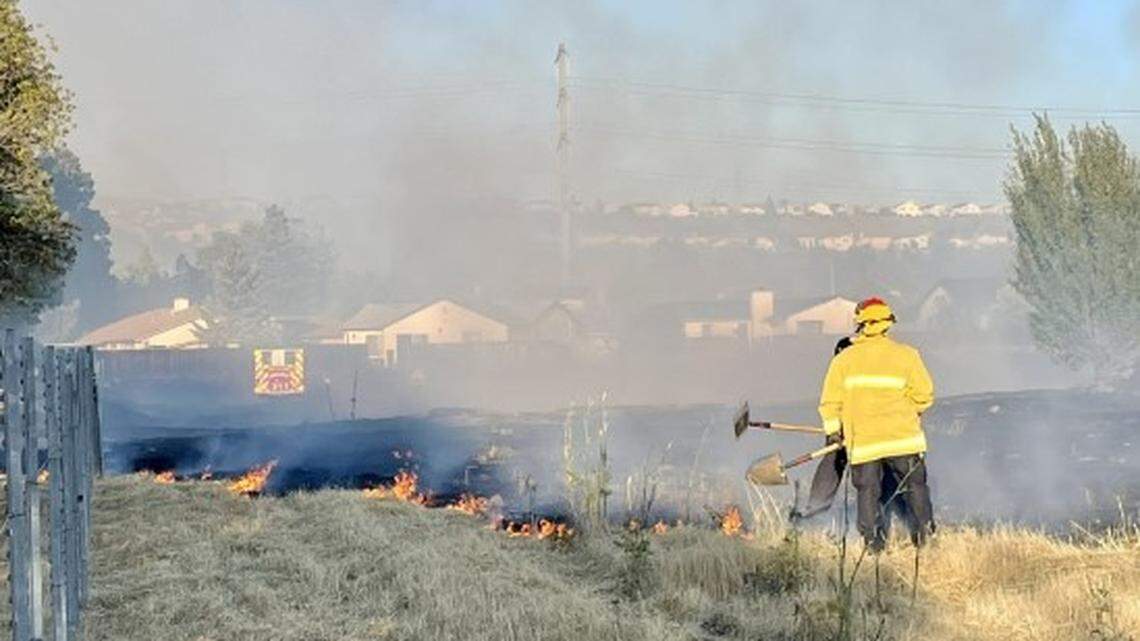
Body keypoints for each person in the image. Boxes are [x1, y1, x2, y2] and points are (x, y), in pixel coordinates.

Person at [818, 297, 935, 552]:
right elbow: (924, 396)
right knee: (915, 488)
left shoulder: (843, 360)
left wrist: (834, 432)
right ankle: (925, 541)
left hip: (864, 443)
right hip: (904, 440)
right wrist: (909, 412)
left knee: (868, 493)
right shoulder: (907, 356)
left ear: (859, 324)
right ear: (888, 324)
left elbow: (829, 403)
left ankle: (873, 547)